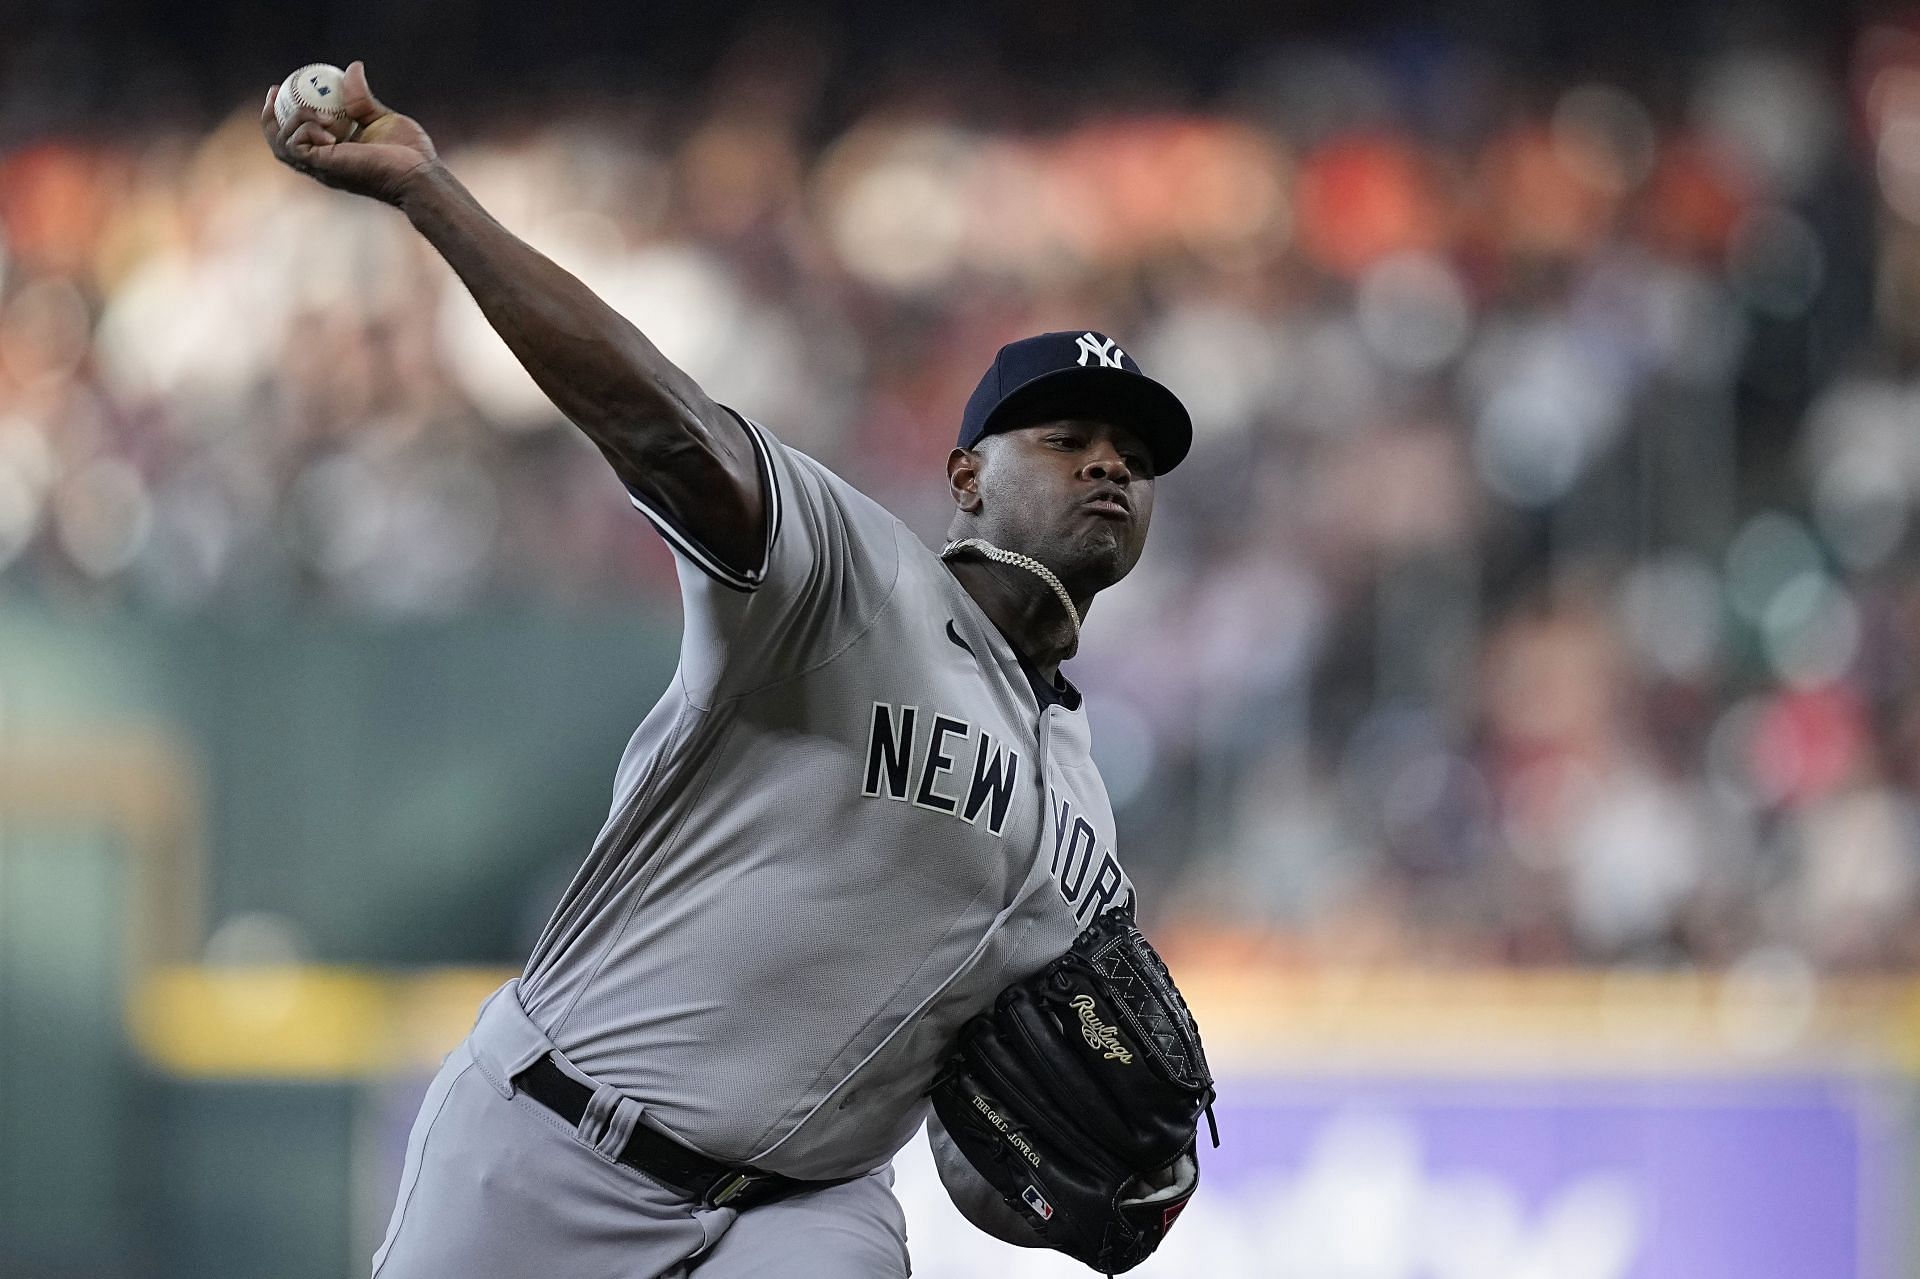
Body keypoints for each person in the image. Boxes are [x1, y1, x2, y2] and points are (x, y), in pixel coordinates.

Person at [264, 62, 1195, 1278]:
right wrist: (433, 194)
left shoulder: (1084, 802)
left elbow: (997, 1140)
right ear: (966, 476)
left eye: (1132, 453)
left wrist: (1128, 1168)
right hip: (554, 1141)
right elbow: (663, 425)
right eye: (1067, 439)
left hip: (806, 1211)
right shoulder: (849, 580)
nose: (1107, 467)